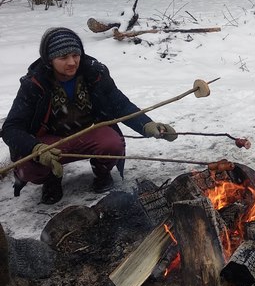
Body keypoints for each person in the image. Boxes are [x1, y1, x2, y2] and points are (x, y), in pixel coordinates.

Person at [2, 27, 178, 204]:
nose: (72, 62)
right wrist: (36, 149)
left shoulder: (94, 73)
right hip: (50, 143)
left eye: (75, 55)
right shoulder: (34, 84)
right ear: (49, 60)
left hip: (88, 134)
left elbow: (120, 104)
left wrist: (146, 125)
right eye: (63, 57)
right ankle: (51, 179)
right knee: (28, 164)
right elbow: (11, 128)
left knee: (113, 143)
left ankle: (102, 172)